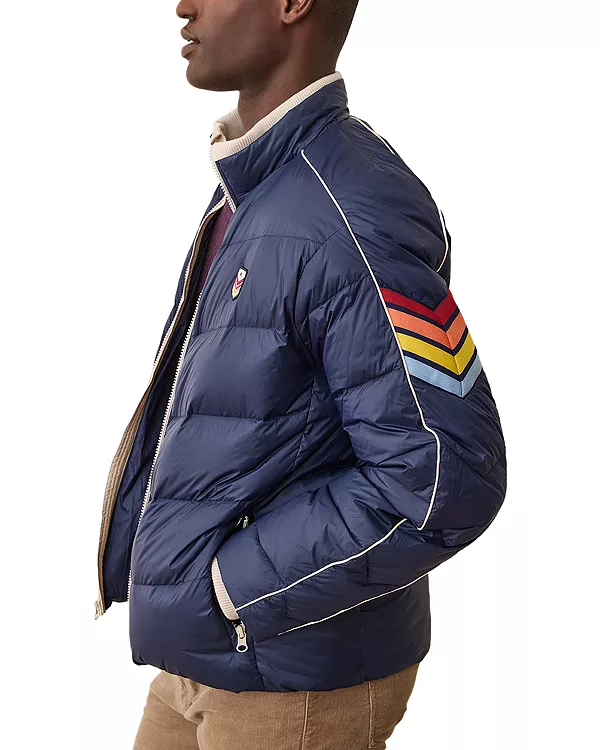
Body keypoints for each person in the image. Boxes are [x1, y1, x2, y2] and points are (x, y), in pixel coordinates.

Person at [94, 1, 507, 747]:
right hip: (206, 654)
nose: (183, 5)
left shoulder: (352, 201)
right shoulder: (260, 186)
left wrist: (233, 590)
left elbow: (445, 477)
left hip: (295, 680)